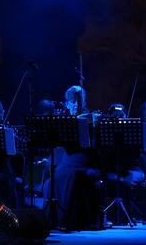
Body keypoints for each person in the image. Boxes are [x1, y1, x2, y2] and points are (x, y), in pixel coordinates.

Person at [47, 85, 102, 230]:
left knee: (66, 178)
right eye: (72, 100)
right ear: (67, 102)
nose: (76, 104)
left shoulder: (88, 117)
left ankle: (66, 218)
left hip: (83, 160)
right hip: (68, 160)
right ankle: (57, 218)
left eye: (78, 100)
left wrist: (95, 126)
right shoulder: (63, 119)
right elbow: (61, 144)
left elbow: (93, 147)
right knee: (50, 182)